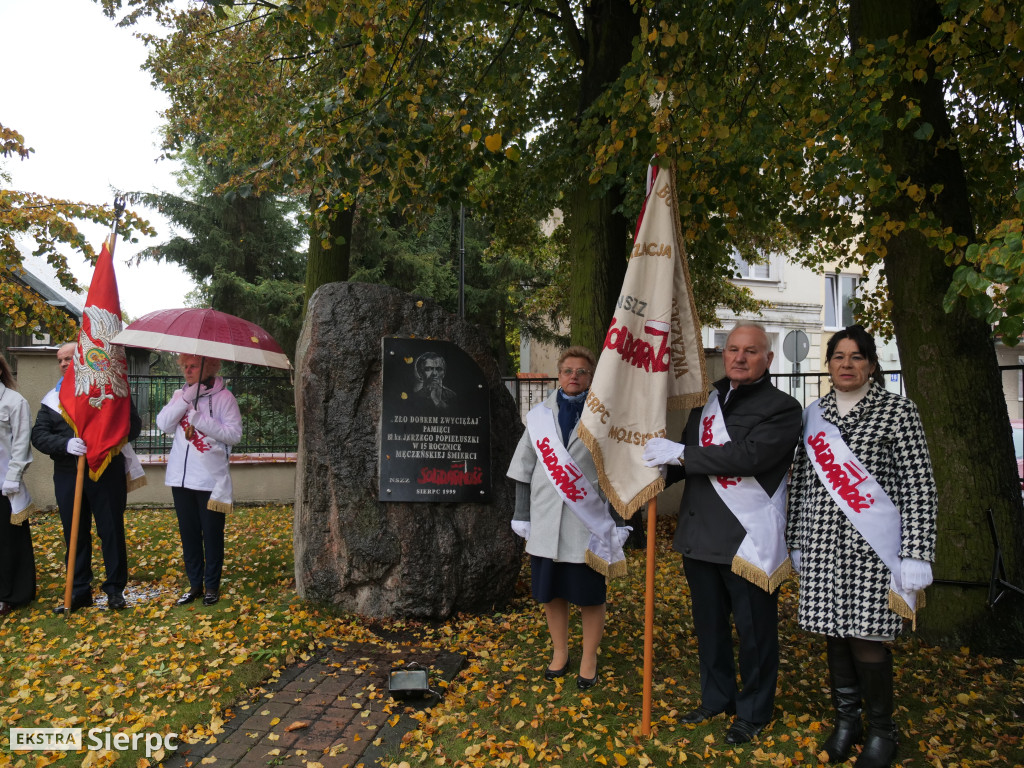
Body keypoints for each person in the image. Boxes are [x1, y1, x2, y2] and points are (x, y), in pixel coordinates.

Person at [642, 321, 802, 744]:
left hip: (746, 540)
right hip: (699, 536)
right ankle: (716, 698)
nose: (740, 357)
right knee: (709, 629)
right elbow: (686, 461)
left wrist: (683, 454)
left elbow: (747, 457)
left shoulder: (783, 408)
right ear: (724, 353)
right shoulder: (706, 401)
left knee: (755, 636)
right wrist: (651, 475)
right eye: (733, 349)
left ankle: (753, 711)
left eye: (751, 351)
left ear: (768, 359)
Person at [786, 325, 937, 768]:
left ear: (872, 364)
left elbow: (919, 487)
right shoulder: (815, 414)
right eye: (839, 357)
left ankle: (883, 733)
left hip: (876, 551)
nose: (846, 365)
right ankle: (846, 723)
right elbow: (801, 487)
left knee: (867, 636)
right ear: (828, 363)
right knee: (834, 634)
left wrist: (917, 552)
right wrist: (796, 541)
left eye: (856, 357)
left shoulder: (898, 412)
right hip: (823, 547)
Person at [507, 346, 622, 690]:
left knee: (590, 595)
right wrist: (521, 513)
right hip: (545, 520)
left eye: (582, 372)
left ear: (591, 377)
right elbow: (523, 468)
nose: (574, 376)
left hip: (587, 522)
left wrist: (619, 520)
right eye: (568, 370)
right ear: (559, 374)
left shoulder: (603, 416)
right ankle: (560, 652)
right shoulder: (539, 415)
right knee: (551, 592)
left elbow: (615, 474)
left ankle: (589, 656)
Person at [32, 342, 141, 613]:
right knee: (75, 533)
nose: (64, 364)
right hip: (69, 474)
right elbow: (39, 435)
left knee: (111, 531)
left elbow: (134, 425)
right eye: (60, 360)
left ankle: (115, 590)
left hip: (105, 470)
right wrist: (66, 444)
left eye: (69, 358)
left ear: (82, 360)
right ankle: (80, 590)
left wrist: (105, 436)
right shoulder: (52, 399)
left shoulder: (109, 392)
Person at [157, 354, 242, 607]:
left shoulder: (224, 398)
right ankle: (195, 584)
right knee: (189, 535)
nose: (187, 371)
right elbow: (163, 424)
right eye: (184, 366)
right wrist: (183, 401)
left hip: (209, 480)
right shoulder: (179, 395)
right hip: (180, 479)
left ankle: (212, 586)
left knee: (212, 535)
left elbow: (234, 434)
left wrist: (200, 420)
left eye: (193, 366)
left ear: (209, 366)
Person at [0, 352, 35, 616]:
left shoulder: (14, 401)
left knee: (9, 542)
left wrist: (13, 477)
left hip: (5, 485)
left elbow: (21, 444)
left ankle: (11, 593)